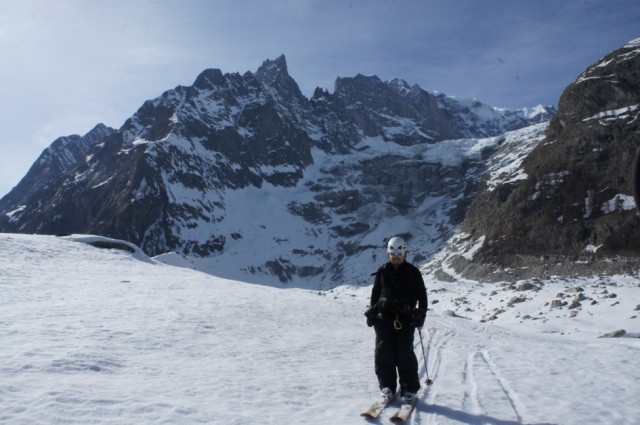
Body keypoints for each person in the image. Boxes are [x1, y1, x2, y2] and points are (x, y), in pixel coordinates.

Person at [365, 236, 428, 405]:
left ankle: (409, 389)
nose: (396, 255)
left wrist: (421, 315)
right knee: (383, 354)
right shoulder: (383, 271)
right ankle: (387, 387)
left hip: (405, 319)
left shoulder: (413, 272)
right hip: (384, 319)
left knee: (404, 354)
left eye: (399, 252)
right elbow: (375, 295)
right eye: (393, 252)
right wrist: (372, 312)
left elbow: (422, 296)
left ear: (405, 253)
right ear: (388, 253)